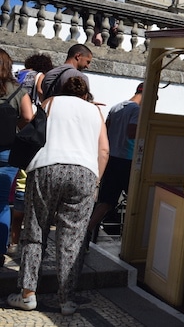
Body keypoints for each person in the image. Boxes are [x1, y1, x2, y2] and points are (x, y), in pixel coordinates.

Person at [7, 76, 109, 315]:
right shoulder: (95, 111)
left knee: (35, 231)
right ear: (85, 95)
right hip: (84, 172)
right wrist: (95, 181)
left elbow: (32, 127)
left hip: (46, 167)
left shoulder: (50, 102)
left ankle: (28, 294)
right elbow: (103, 150)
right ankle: (67, 301)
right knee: (72, 240)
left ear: (62, 90)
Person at [9, 54, 54, 256]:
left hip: (13, 133)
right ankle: (26, 243)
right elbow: (41, 99)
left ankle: (13, 239)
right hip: (30, 134)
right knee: (28, 189)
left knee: (16, 186)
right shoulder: (40, 77)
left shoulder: (18, 75)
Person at [87, 82, 143, 242]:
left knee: (106, 200)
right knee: (134, 198)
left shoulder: (116, 107)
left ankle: (89, 228)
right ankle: (90, 229)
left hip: (111, 157)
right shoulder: (137, 110)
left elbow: (106, 128)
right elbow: (132, 132)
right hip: (126, 160)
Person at [0, 49, 33, 263]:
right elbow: (29, 117)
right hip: (6, 151)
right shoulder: (18, 90)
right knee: (2, 203)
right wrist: (14, 127)